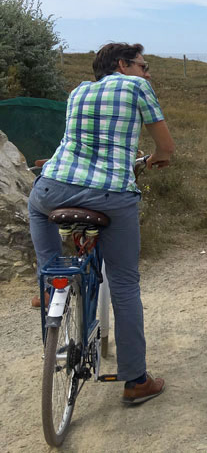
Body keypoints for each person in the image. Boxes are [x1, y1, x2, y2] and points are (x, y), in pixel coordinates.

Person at [29, 42, 175, 404]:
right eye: (144, 65)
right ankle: (136, 381)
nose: (148, 73)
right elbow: (166, 147)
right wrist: (157, 158)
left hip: (53, 186)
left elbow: (77, 141)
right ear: (123, 65)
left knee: (36, 209)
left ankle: (49, 282)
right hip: (110, 194)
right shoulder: (136, 87)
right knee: (124, 284)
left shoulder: (78, 90)